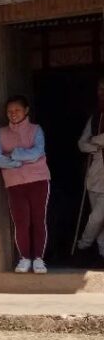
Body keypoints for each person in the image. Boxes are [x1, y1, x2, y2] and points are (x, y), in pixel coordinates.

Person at [0, 95, 50, 274]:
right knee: (21, 222)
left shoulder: (36, 129)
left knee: (38, 220)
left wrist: (14, 154)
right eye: (9, 111)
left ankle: (39, 259)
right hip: (14, 183)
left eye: (17, 110)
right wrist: (18, 162)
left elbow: (38, 152)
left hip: (38, 180)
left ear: (26, 111)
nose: (13, 114)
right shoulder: (2, 133)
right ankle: (25, 258)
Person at [76, 78, 104, 261]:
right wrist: (96, 145)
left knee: (97, 217)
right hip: (96, 175)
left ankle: (83, 245)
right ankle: (102, 252)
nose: (102, 92)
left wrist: (95, 140)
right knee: (100, 221)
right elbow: (81, 144)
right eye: (100, 89)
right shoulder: (95, 117)